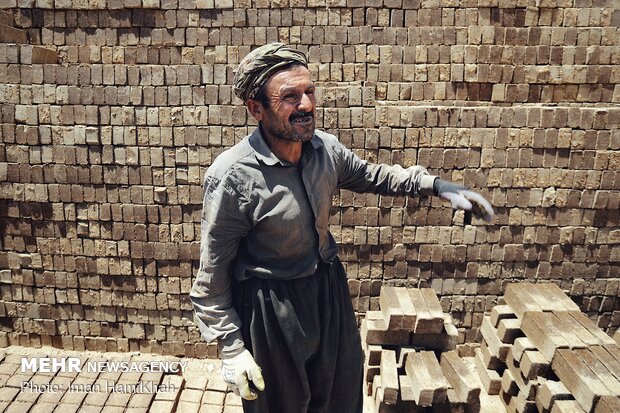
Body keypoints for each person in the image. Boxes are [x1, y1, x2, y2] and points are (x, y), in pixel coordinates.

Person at [190, 43, 494, 413]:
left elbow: (375, 176)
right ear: (256, 109)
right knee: (282, 405)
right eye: (289, 97)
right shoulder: (233, 177)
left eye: (309, 92)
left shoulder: (325, 151)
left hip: (327, 292)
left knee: (342, 395)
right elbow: (211, 277)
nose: (306, 105)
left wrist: (438, 186)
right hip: (272, 309)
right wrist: (232, 348)